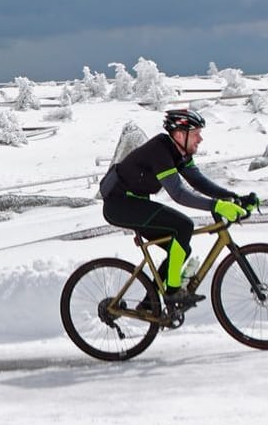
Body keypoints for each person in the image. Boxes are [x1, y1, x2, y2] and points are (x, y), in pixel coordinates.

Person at [99, 108, 258, 312]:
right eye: (196, 133)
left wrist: (233, 198)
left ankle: (149, 305)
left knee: (181, 246)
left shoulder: (179, 152)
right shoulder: (160, 150)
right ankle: (173, 293)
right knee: (183, 226)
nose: (200, 139)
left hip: (133, 204)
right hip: (120, 205)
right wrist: (215, 205)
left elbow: (199, 182)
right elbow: (179, 193)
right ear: (180, 135)